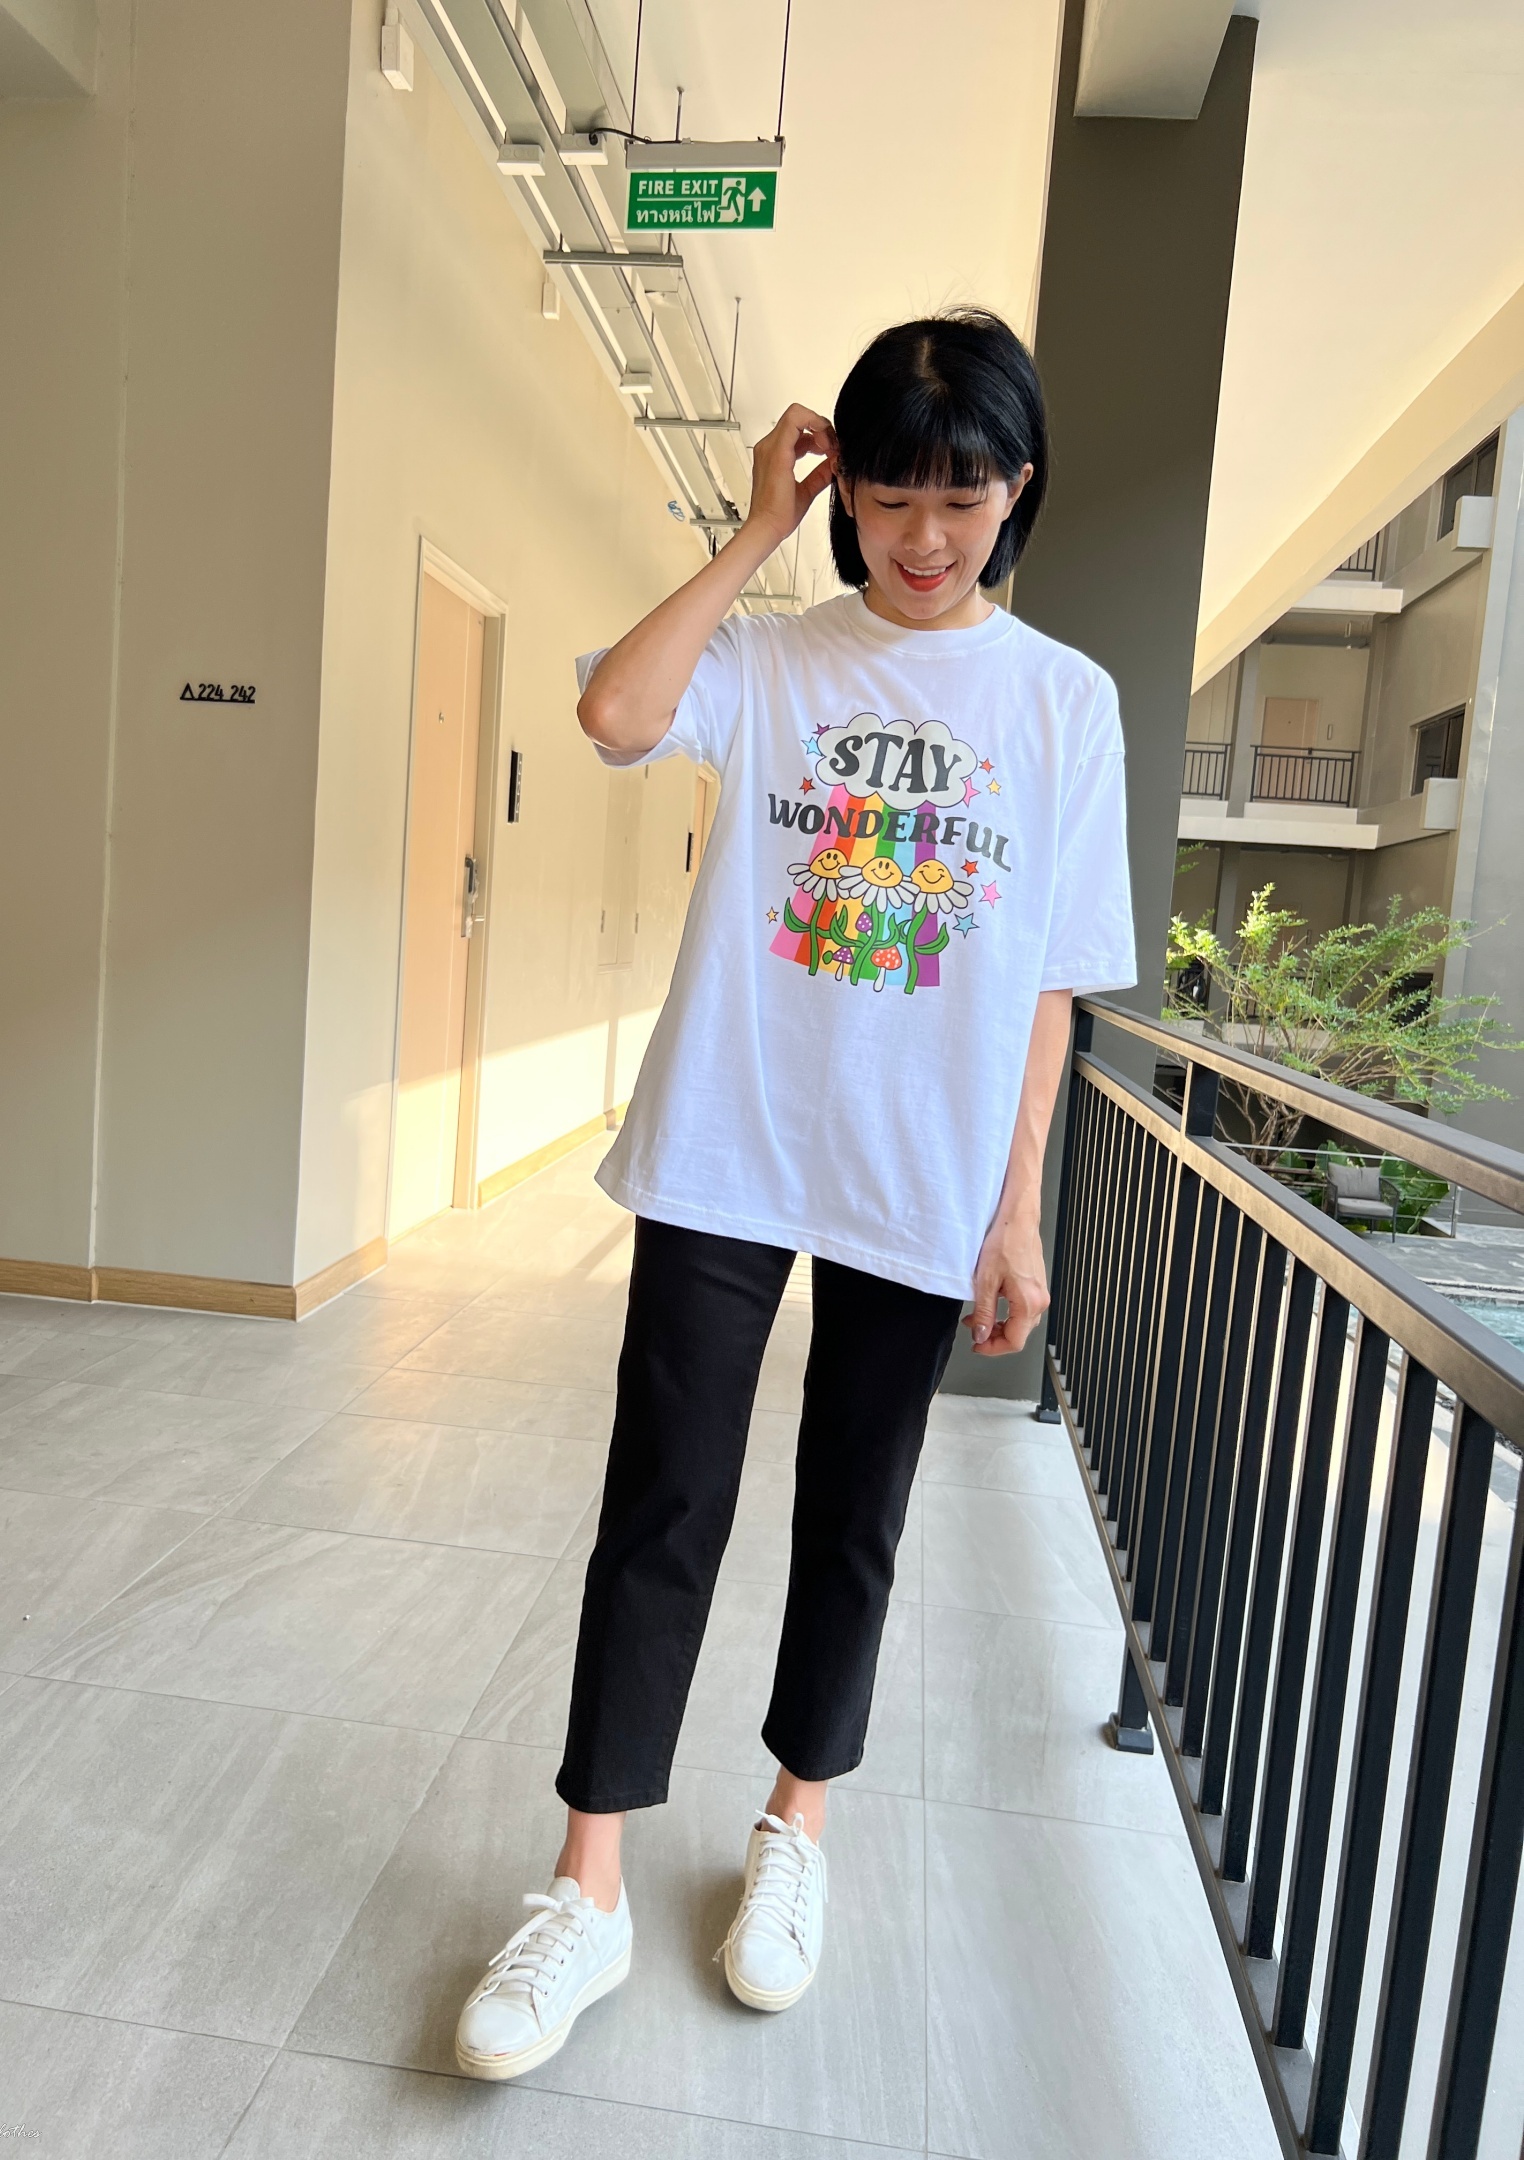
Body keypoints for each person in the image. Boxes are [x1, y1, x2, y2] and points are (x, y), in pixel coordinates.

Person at [454, 309, 1136, 2080]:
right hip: (728, 1142)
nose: (924, 536)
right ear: (846, 495)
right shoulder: (771, 658)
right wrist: (757, 527)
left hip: (922, 1166)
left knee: (855, 1513)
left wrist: (1018, 1208)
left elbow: (1051, 983)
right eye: (890, 495)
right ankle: (590, 1883)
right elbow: (614, 711)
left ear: (1016, 490)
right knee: (661, 1502)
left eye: (960, 498)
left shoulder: (1063, 704)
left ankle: (794, 1826)